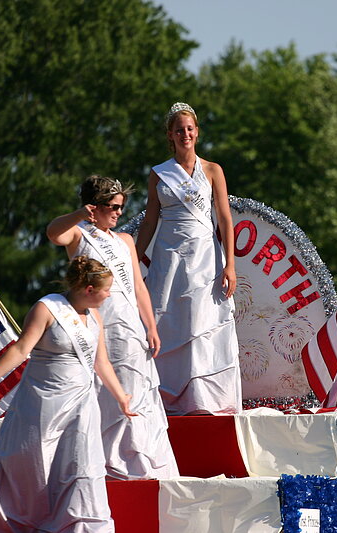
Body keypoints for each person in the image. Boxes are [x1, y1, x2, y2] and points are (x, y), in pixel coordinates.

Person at [0, 256, 135, 533]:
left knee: (80, 464)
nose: (109, 295)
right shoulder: (47, 308)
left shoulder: (95, 318)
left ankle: (77, 526)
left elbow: (100, 362)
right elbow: (21, 350)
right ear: (89, 290)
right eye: (106, 290)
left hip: (80, 403)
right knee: (35, 467)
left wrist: (121, 397)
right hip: (42, 403)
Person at [45, 175, 179, 480]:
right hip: (97, 324)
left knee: (136, 392)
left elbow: (138, 287)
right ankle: (104, 463)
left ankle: (138, 463)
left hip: (129, 326)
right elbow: (53, 233)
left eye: (121, 206)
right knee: (100, 392)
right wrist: (79, 215)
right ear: (96, 206)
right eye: (113, 206)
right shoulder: (78, 235)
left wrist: (151, 326)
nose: (119, 213)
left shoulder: (125, 241)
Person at [135, 102, 242, 415]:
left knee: (202, 321)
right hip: (169, 257)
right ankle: (169, 397)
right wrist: (135, 257)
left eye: (190, 129)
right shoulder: (158, 175)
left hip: (205, 257)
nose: (185, 134)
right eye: (179, 129)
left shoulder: (212, 170)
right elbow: (149, 222)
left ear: (197, 132)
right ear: (171, 134)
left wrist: (230, 265)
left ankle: (204, 399)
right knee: (168, 321)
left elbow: (224, 219)